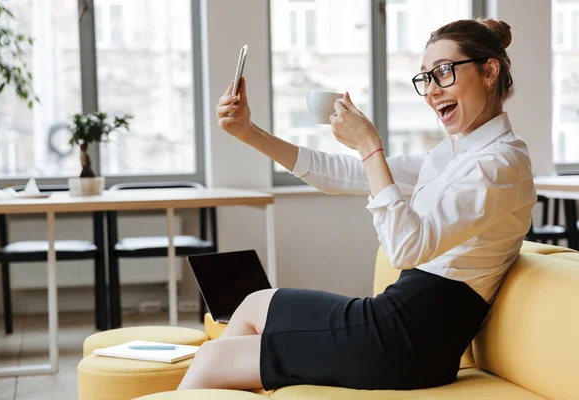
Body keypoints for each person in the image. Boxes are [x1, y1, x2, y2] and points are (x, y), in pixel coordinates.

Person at [178, 18, 537, 392]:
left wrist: (370, 146)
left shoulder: (501, 164)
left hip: (411, 341)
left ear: (489, 71)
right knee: (253, 306)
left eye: (443, 72)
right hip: (401, 322)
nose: (431, 90)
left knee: (213, 357)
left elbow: (405, 248)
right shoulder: (455, 154)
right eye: (425, 77)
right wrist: (249, 133)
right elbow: (342, 174)